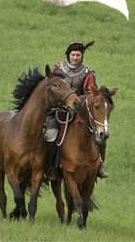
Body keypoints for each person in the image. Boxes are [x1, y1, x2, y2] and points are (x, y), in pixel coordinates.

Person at [47, 41, 108, 180]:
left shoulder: (88, 73)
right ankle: (51, 166)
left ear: (82, 56)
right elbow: (50, 88)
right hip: (58, 110)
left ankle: (98, 165)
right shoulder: (57, 69)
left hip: (79, 111)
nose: (75, 58)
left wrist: (74, 101)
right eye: (73, 55)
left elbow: (91, 93)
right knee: (50, 134)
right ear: (68, 55)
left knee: (99, 132)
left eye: (78, 55)